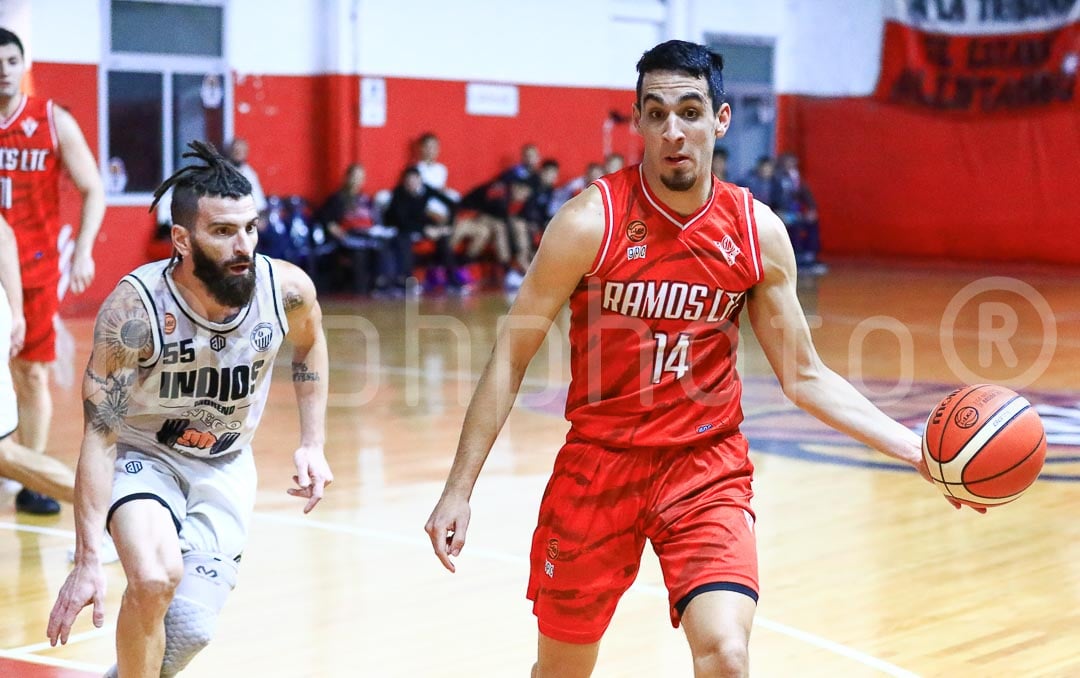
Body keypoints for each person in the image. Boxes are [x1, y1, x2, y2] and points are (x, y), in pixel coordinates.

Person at [425, 39, 978, 678]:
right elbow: (510, 356)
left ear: (720, 119)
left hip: (703, 467)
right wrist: (458, 489)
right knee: (562, 669)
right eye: (655, 113)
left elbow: (803, 374)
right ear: (636, 122)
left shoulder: (756, 232)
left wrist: (917, 452)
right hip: (600, 466)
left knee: (727, 654)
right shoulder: (587, 224)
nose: (673, 131)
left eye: (690, 111)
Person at [46, 141, 333, 677]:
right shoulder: (135, 308)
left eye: (249, 227)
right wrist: (87, 556)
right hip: (143, 454)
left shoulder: (286, 289)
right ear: (181, 238)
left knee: (191, 631)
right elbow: (99, 434)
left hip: (224, 462)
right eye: (223, 231)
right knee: (154, 580)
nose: (243, 244)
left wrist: (312, 441)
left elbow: (310, 343)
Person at [0, 28, 105, 515]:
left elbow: (93, 188)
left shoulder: (51, 119)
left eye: (12, 60)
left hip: (34, 268)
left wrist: (82, 251)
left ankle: (32, 477)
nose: (4, 69)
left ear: (25, 66)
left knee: (31, 375)